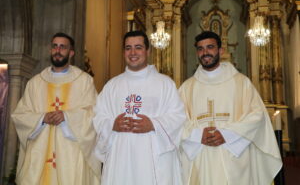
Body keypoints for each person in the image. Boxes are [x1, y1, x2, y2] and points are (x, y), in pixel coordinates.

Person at [179, 31, 282, 185]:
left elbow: (257, 116)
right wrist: (197, 135)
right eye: (200, 49)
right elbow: (177, 120)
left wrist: (227, 134)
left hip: (234, 156)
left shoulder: (241, 83)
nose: (205, 52)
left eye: (210, 47)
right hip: (200, 158)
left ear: (221, 50)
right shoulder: (187, 88)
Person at [93, 30, 186, 185]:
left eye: (138, 47)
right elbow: (98, 116)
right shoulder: (112, 86)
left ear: (148, 51)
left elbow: (178, 117)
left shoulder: (164, 84)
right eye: (128, 48)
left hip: (153, 158)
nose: (133, 52)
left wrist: (153, 124)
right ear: (123, 52)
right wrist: (112, 124)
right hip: (120, 157)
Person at [12, 32, 101, 185]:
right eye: (55, 46)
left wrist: (67, 117)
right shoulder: (35, 83)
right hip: (39, 155)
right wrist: (41, 119)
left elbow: (94, 114)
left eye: (63, 47)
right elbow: (20, 115)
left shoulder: (84, 82)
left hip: (71, 156)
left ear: (71, 53)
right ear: (50, 50)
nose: (58, 50)